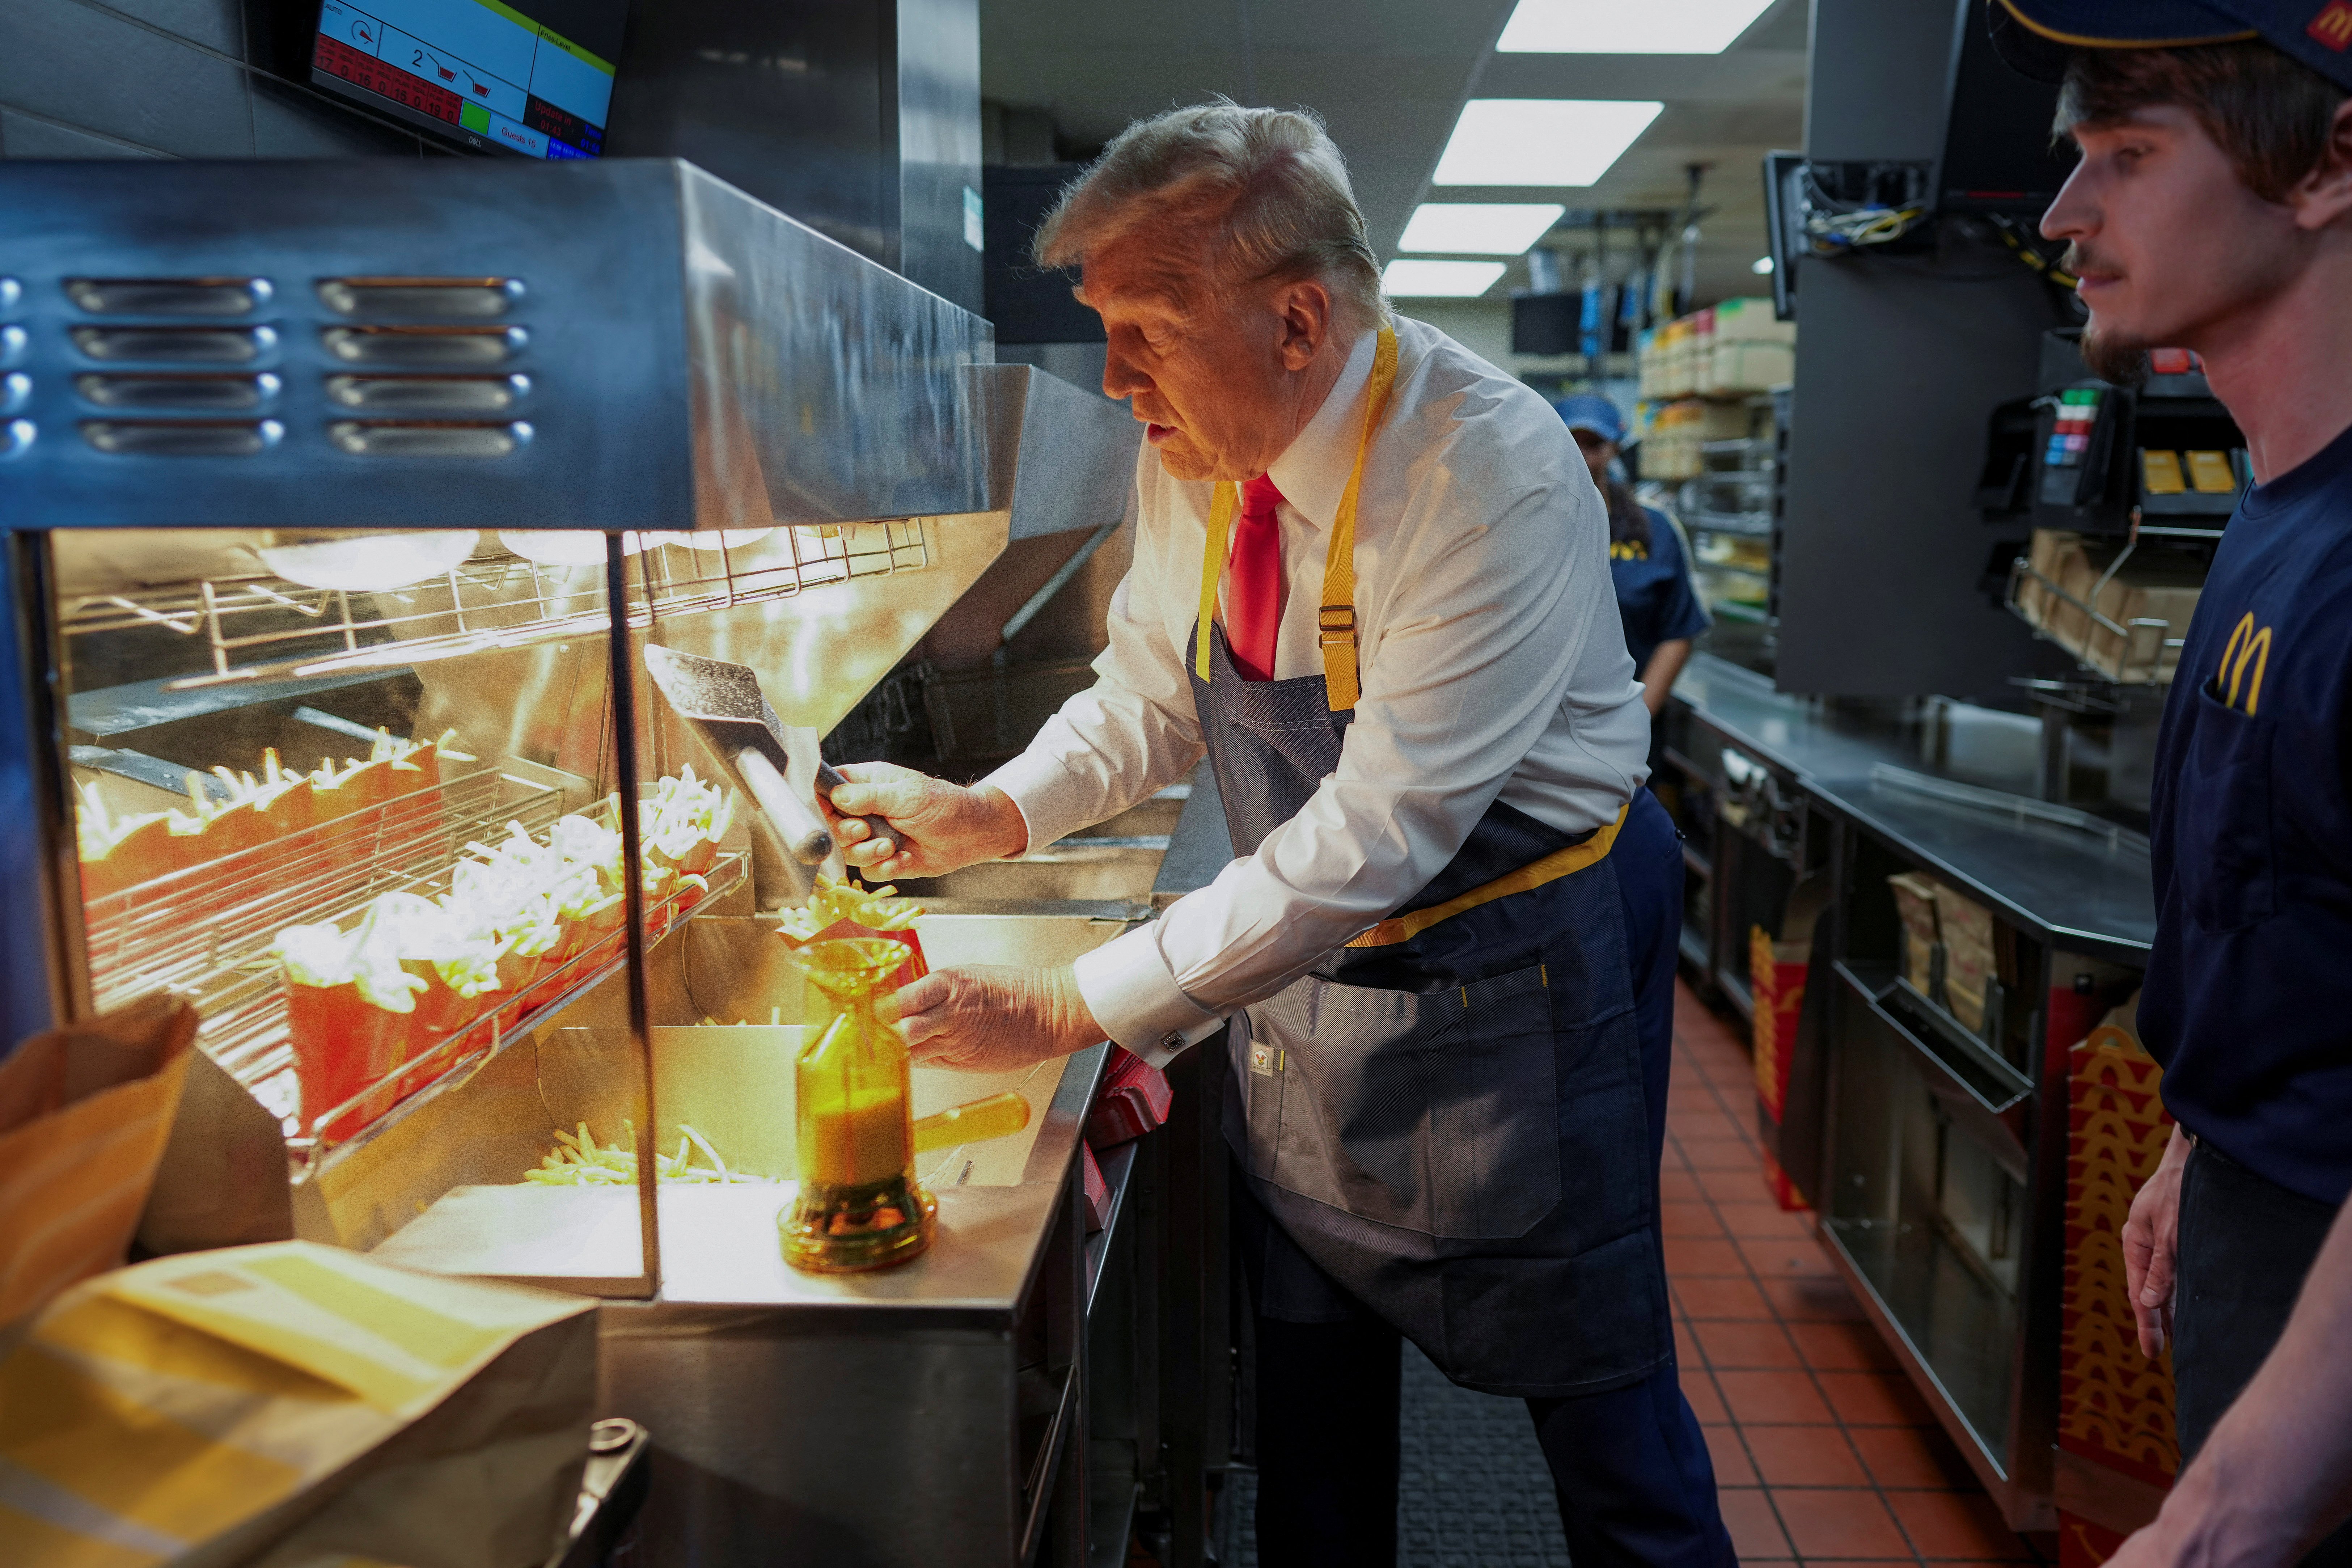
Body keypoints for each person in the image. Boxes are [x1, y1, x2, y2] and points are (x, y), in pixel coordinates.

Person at [826, 102, 1733, 1568]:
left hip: (1520, 964)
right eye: (1104, 327)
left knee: (1598, 1402)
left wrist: (1070, 1003)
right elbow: (1149, 693)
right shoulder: (1193, 449)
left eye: (1147, 328)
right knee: (1310, 1407)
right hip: (1308, 968)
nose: (1115, 379)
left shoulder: (1480, 469)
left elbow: (1385, 825)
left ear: (1297, 321)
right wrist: (993, 809)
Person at [1994, 3, 2352, 1564]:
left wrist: (2232, 1505)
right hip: (2262, 1210)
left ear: (2333, 160)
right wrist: (2203, 1143)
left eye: (2127, 159)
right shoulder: (2281, 510)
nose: (2067, 217)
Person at [1555, 394, 1709, 723]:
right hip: (1541, 732)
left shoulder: (1655, 530)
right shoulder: (1531, 526)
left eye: (1594, 443)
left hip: (1627, 724)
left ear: (1615, 448)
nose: (1582, 455)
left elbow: (1678, 631)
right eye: (1570, 442)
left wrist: (1634, 723)